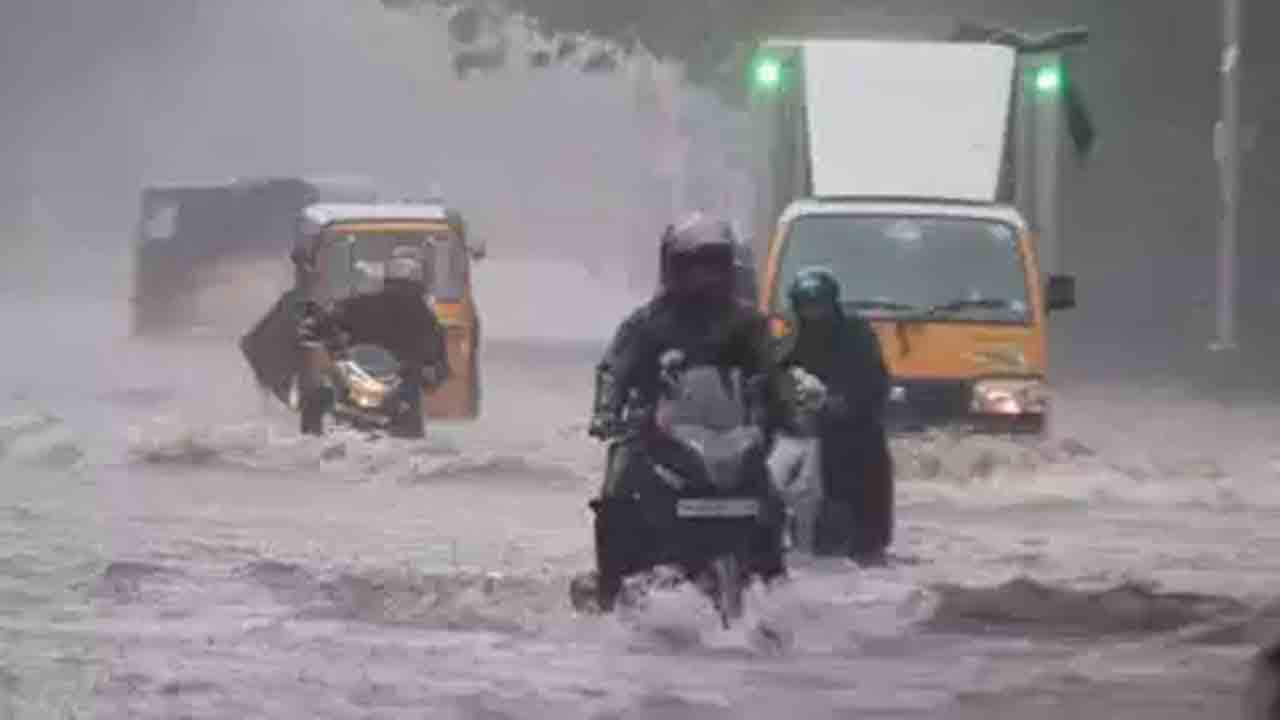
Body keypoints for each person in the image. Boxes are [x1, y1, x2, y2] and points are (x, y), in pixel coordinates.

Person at [584, 213, 787, 609]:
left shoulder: (747, 323)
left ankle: (774, 578)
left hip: (729, 433)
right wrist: (606, 411)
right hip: (656, 433)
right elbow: (614, 369)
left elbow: (772, 370)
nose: (704, 276)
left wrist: (786, 406)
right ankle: (611, 588)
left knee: (770, 497)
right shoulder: (647, 323)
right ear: (673, 267)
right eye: (694, 265)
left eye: (713, 264)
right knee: (617, 495)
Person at [777, 266, 894, 565]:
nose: (813, 314)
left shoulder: (857, 336)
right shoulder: (792, 339)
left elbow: (874, 383)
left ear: (832, 305)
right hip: (807, 438)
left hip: (856, 438)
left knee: (864, 531)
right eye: (806, 307)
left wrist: (838, 402)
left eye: (818, 306)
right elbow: (771, 374)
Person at [297, 256, 449, 438]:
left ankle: (403, 430)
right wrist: (317, 326)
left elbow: (437, 357)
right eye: (399, 286)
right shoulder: (369, 305)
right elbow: (333, 317)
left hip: (393, 376)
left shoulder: (422, 318)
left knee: (410, 394)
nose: (401, 293)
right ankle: (312, 435)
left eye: (405, 287)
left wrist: (431, 368)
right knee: (321, 390)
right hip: (360, 365)